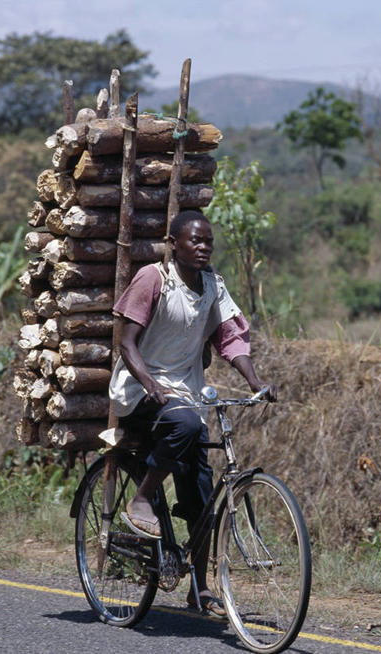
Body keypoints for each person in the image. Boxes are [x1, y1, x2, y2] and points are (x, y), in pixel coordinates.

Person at [108, 210, 276, 616]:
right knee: (183, 422)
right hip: (140, 390)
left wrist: (256, 383)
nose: (203, 248)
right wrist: (150, 384)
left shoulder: (212, 286)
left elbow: (231, 338)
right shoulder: (154, 278)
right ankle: (143, 498)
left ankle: (200, 589)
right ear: (174, 243)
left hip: (187, 391)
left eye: (208, 243)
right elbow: (126, 344)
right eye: (194, 241)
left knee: (201, 494)